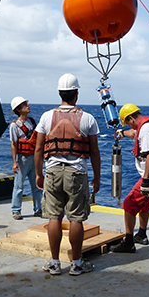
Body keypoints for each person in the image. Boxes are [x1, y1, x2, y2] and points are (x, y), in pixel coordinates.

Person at [34, 73, 101, 276]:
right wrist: (97, 177)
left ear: (59, 93)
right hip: (77, 172)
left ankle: (54, 263)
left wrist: (39, 174)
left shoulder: (46, 117)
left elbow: (38, 149)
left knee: (54, 217)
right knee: (76, 218)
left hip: (52, 171)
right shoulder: (87, 118)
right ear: (76, 94)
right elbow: (95, 152)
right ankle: (77, 263)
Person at [111, 103, 149, 253]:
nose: (129, 126)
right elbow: (133, 133)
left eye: (127, 122)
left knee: (129, 205)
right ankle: (142, 235)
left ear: (131, 118)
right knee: (144, 205)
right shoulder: (145, 126)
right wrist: (122, 133)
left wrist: (145, 181)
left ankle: (129, 242)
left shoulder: (146, 131)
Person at [9, 96, 43, 219]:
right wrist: (14, 162)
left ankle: (38, 209)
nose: (27, 106)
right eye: (24, 105)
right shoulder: (14, 126)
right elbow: (13, 144)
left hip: (34, 158)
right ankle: (16, 210)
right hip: (22, 159)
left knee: (37, 185)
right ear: (18, 109)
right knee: (18, 186)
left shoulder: (32, 122)